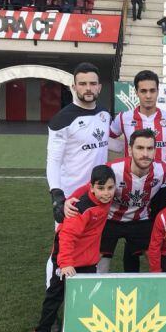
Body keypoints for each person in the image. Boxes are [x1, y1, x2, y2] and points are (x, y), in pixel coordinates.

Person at [27, 164, 115, 332]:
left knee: (87, 299)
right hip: (66, 256)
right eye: (101, 188)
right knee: (54, 297)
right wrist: (66, 263)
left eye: (110, 188)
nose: (106, 193)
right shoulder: (80, 208)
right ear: (92, 187)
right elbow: (66, 236)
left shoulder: (105, 197)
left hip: (88, 259)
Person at [64, 129, 166, 273]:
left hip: (140, 220)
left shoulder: (164, 171)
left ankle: (162, 285)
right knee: (97, 259)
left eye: (150, 148)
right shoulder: (114, 169)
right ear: (130, 149)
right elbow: (89, 187)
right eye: (140, 148)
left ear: (155, 150)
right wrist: (67, 201)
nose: (145, 154)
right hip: (110, 219)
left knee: (155, 258)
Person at [46, 62, 110, 233]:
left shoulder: (104, 114)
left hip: (99, 194)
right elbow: (53, 161)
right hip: (72, 198)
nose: (88, 88)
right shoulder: (62, 119)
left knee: (93, 243)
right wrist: (57, 196)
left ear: (99, 87)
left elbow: (107, 141)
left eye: (93, 83)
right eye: (82, 84)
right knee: (66, 245)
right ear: (74, 87)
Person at [109, 70, 166, 162]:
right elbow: (106, 137)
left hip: (160, 171)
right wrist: (122, 147)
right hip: (132, 171)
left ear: (158, 91)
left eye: (152, 91)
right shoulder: (123, 117)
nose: (148, 96)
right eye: (143, 91)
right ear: (136, 92)